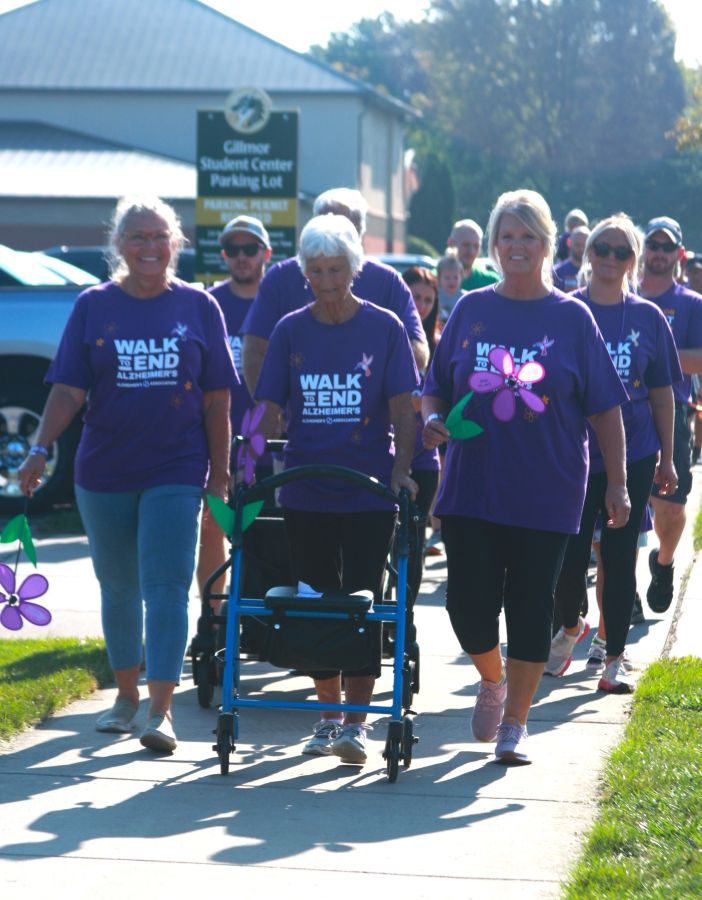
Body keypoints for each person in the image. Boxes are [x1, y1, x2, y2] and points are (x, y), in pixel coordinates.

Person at [18, 196, 236, 754]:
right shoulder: (93, 306)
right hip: (104, 470)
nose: (148, 247)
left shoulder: (200, 307)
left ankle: (160, 712)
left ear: (176, 243)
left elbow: (217, 401)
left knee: (165, 588)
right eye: (137, 237)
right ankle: (124, 696)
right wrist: (40, 449)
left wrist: (219, 475)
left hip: (175, 467)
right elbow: (69, 390)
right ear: (118, 244)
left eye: (159, 236)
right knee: (118, 588)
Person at [422, 189, 629, 765]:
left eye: (528, 236)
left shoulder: (571, 317)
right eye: (507, 236)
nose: (517, 246)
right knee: (466, 604)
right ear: (494, 244)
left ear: (547, 245)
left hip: (549, 490)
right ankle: (492, 680)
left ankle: (516, 720)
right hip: (472, 486)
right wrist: (434, 419)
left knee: (531, 606)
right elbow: (436, 383)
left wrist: (617, 482)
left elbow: (605, 408)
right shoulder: (469, 309)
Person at [254, 214, 418, 765]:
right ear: (305, 273)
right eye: (316, 271)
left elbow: (403, 406)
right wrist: (251, 454)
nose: (326, 281)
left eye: (336, 269)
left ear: (355, 268)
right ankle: (327, 718)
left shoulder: (386, 327)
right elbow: (268, 405)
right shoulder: (290, 330)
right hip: (305, 489)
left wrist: (402, 469)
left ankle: (357, 722)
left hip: (367, 489)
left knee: (362, 603)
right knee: (316, 601)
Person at [546, 215, 680, 693]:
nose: (608, 257)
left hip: (636, 451)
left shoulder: (646, 318)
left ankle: (613, 659)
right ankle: (568, 625)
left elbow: (663, 394)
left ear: (633, 261)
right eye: (601, 248)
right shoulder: (565, 310)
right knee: (568, 553)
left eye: (620, 252)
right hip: (575, 453)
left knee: (619, 557)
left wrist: (667, 458)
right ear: (588, 254)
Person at [241, 188, 428, 394]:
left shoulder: (386, 280)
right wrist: (268, 411)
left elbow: (418, 354)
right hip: (297, 417)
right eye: (323, 228)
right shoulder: (280, 278)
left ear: (359, 233)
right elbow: (253, 352)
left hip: (367, 417)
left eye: (341, 229)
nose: (330, 237)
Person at [196, 215, 272, 605]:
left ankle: (257, 617)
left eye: (250, 249)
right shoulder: (209, 304)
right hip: (218, 436)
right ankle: (213, 618)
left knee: (265, 531)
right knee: (213, 526)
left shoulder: (278, 303)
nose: (242, 257)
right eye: (233, 250)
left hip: (269, 439)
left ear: (266, 253)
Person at [639, 216, 702, 613]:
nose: (659, 254)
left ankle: (663, 562)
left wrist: (657, 360)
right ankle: (621, 594)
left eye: (667, 247)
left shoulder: (691, 304)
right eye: (653, 245)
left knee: (671, 506)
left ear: (678, 253)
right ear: (643, 249)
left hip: (673, 409)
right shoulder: (624, 295)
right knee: (617, 508)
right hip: (623, 408)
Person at [402, 266, 441, 588]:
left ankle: (406, 622)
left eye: (429, 299)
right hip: (384, 456)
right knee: (384, 543)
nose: (422, 305)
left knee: (414, 544)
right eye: (415, 297)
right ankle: (382, 623)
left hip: (425, 458)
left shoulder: (439, 346)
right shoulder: (383, 338)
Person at [447, 219, 500, 293]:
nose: (471, 252)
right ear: (451, 243)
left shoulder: (492, 282)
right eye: (466, 245)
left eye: (476, 246)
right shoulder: (433, 280)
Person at [552, 224, 590, 292]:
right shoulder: (556, 273)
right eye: (577, 245)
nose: (581, 249)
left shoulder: (596, 273)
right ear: (569, 243)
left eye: (584, 245)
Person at [436, 249, 465, 322]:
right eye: (447, 277)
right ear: (439, 278)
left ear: (461, 277)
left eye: (455, 277)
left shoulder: (464, 296)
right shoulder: (435, 296)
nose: (451, 281)